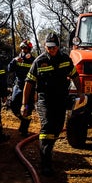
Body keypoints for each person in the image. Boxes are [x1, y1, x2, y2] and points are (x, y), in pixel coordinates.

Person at [22, 32, 84, 176]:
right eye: (49, 47)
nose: (52, 50)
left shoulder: (65, 60)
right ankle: (45, 164)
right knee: (47, 128)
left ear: (58, 46)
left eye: (54, 47)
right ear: (45, 46)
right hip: (45, 101)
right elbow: (28, 84)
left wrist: (80, 92)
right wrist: (24, 104)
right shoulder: (38, 61)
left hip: (61, 100)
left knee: (57, 127)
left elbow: (75, 76)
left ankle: (48, 151)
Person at [7, 39, 35, 136]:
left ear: (29, 49)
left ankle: (24, 130)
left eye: (26, 48)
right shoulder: (17, 59)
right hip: (18, 86)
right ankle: (22, 119)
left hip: (30, 89)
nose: (23, 50)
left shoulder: (33, 61)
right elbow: (9, 69)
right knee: (13, 105)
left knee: (28, 108)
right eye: (22, 48)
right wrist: (14, 61)